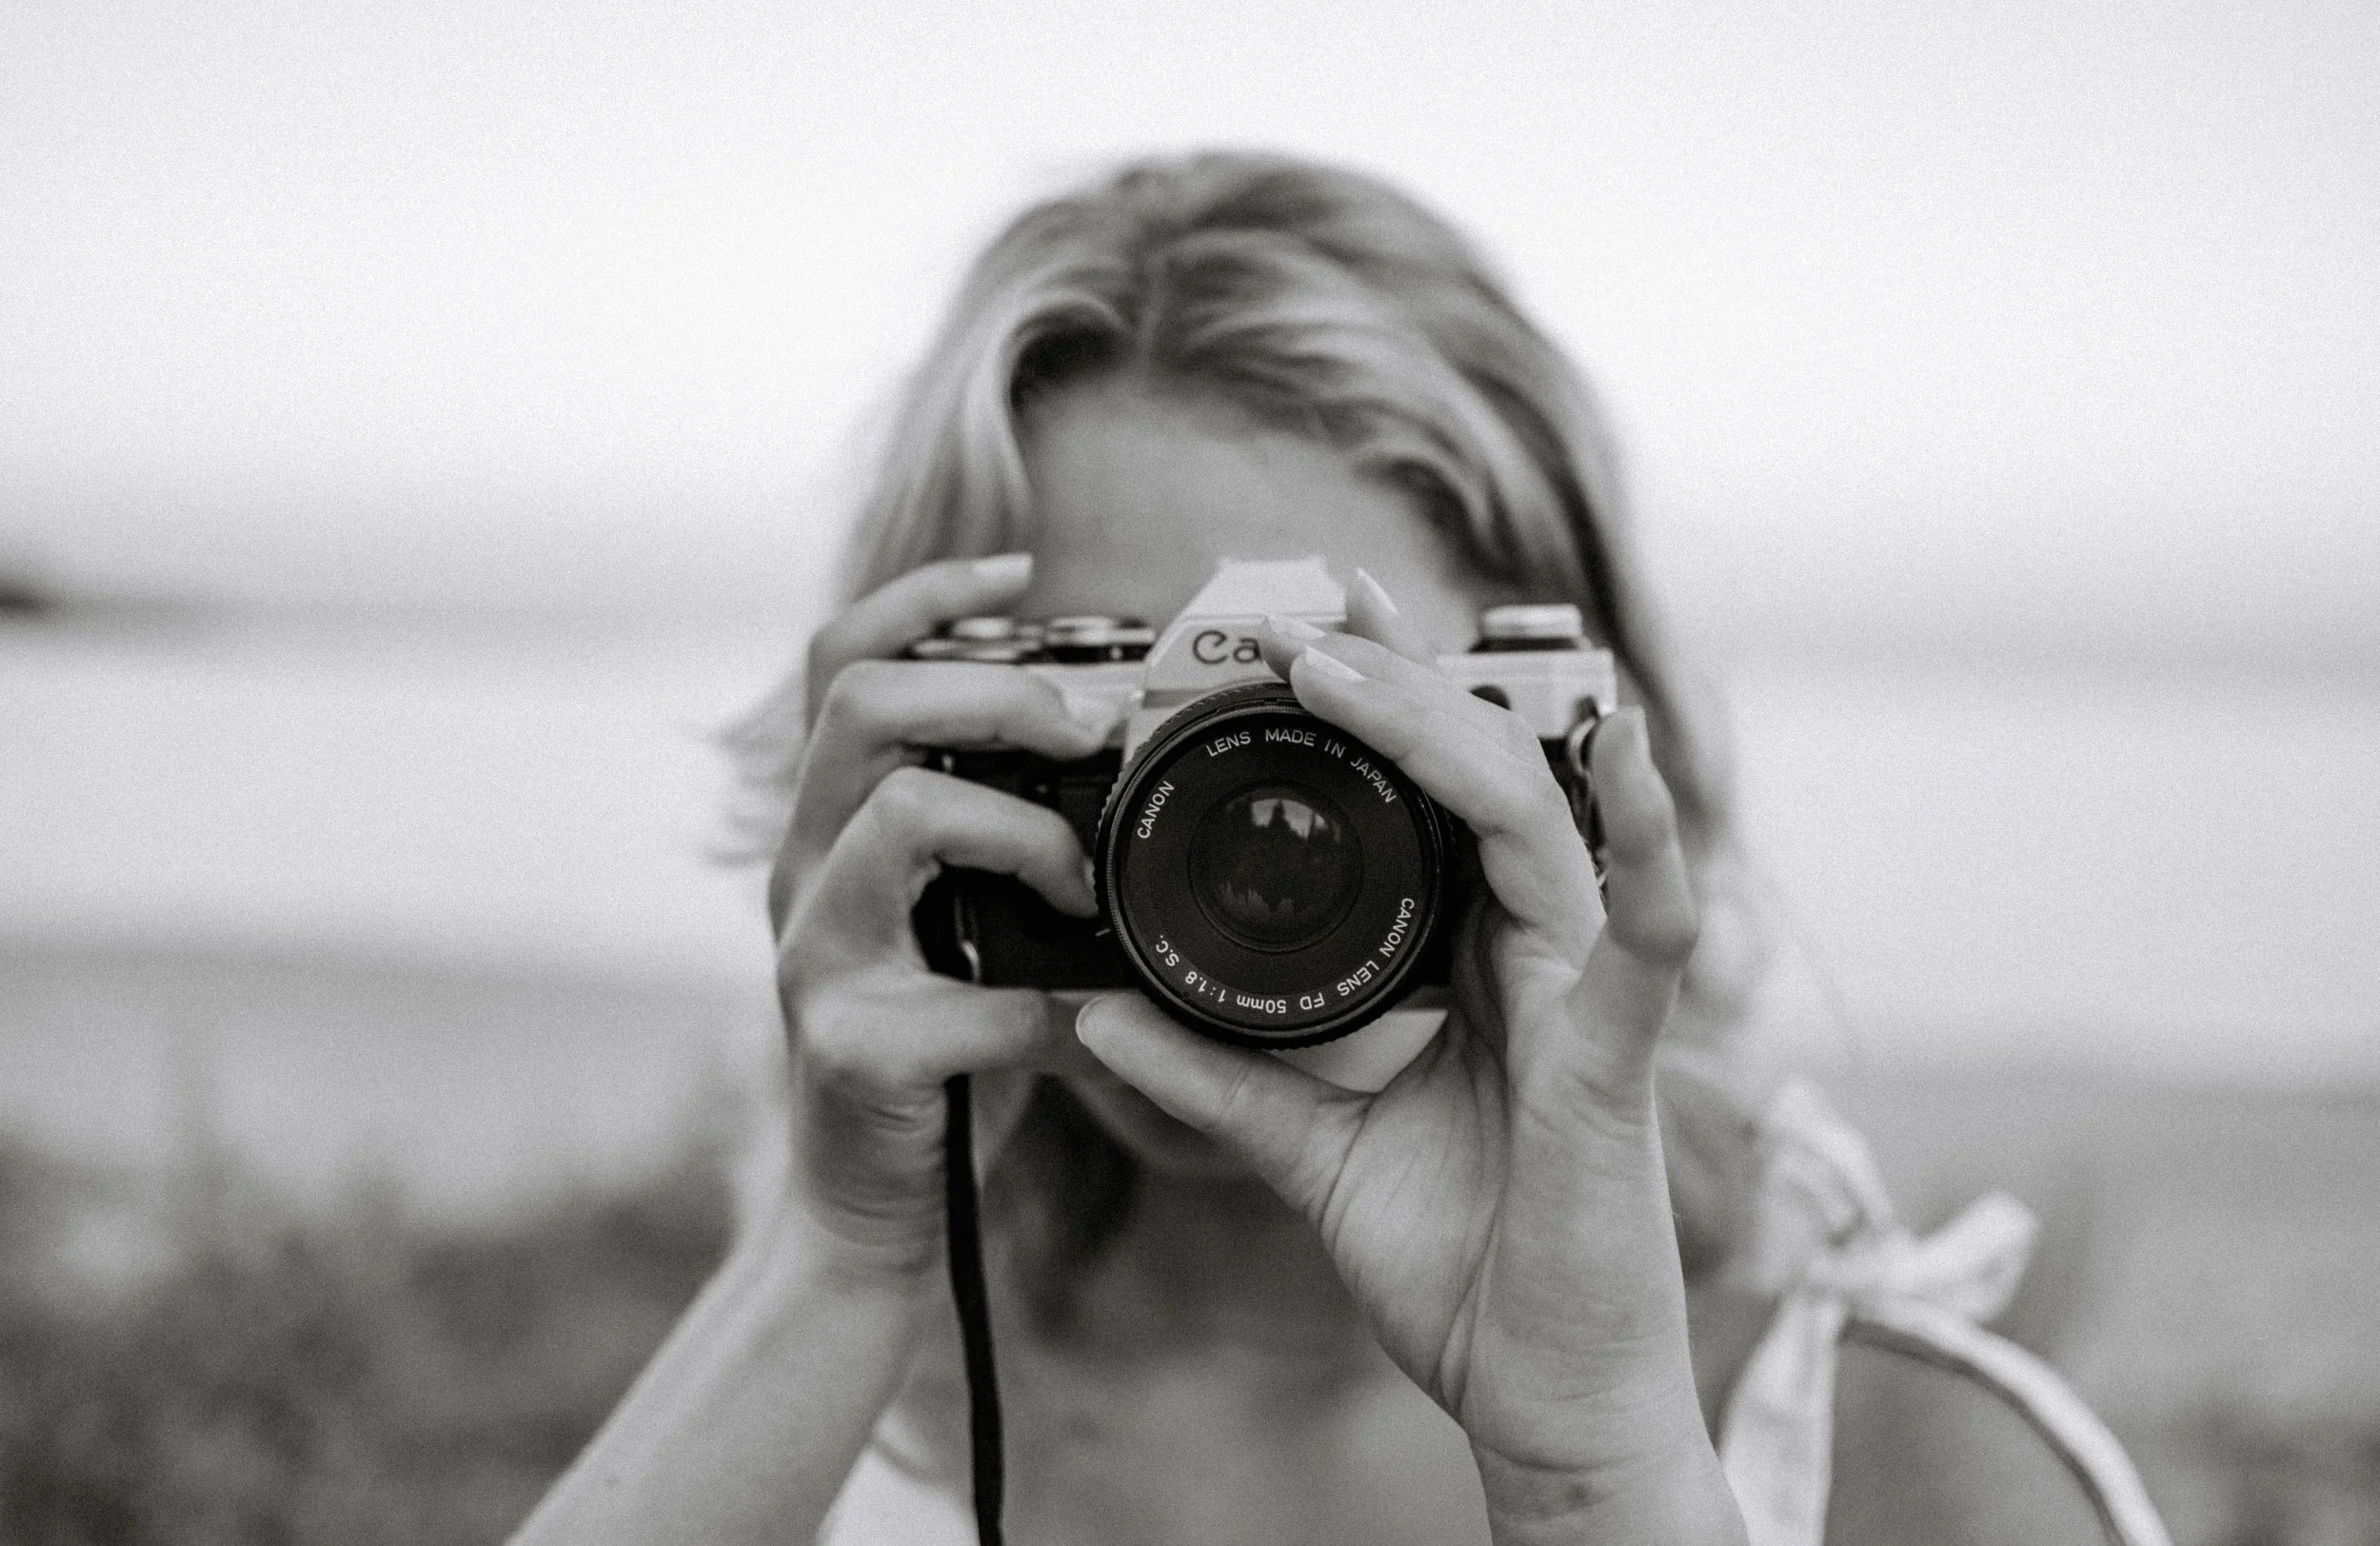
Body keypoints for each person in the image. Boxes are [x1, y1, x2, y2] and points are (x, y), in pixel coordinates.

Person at [511, 153, 2171, 1546]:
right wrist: (842, 1242)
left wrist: (1599, 1465)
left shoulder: (1917, 1469)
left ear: (1577, 747)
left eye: (1348, 724)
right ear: (930, 746)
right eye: (1123, 706)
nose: (1243, 820)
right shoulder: (810, 1437)